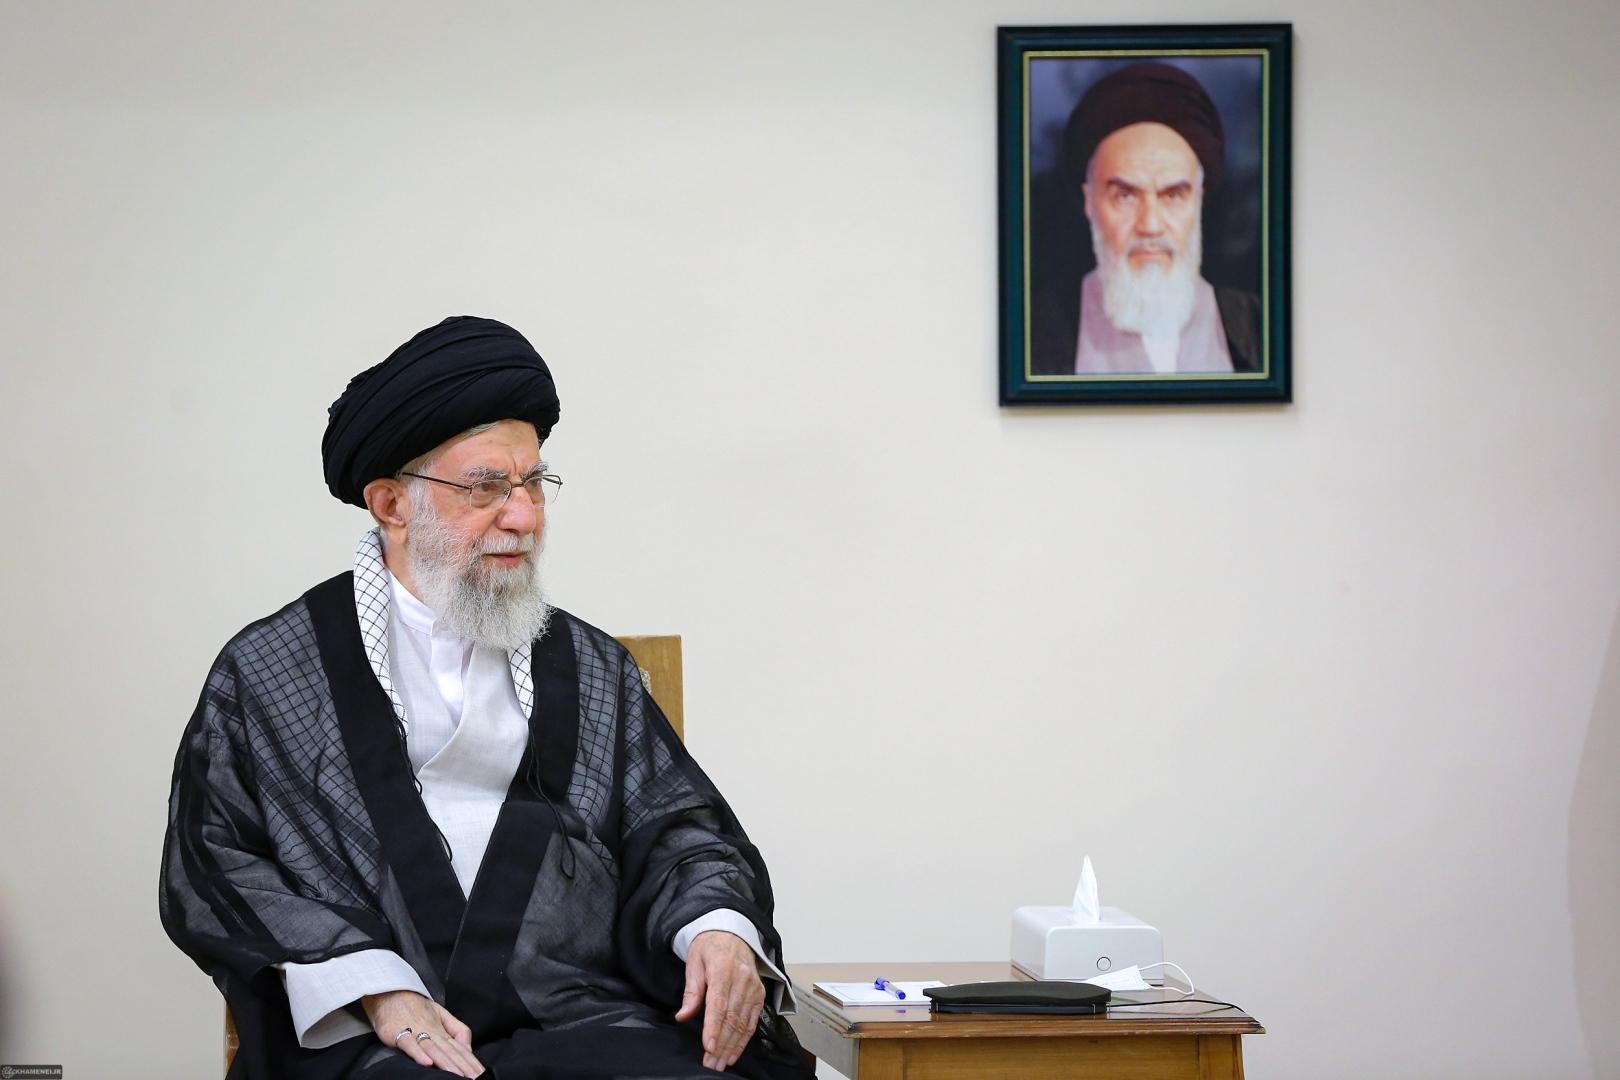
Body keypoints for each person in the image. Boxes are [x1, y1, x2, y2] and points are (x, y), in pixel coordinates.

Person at [160, 316, 812, 1079]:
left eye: (534, 483)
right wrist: (374, 986)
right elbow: (215, 861)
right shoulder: (270, 672)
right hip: (380, 1035)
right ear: (391, 505)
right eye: (486, 487)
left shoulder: (589, 664)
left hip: (582, 1018)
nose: (524, 516)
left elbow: (677, 830)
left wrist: (717, 928)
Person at [1029, 61, 1262, 376]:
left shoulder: (1258, 327)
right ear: (1089, 201)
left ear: (1198, 201)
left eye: (1173, 196)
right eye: (1125, 196)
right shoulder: (1033, 333)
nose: (1150, 225)